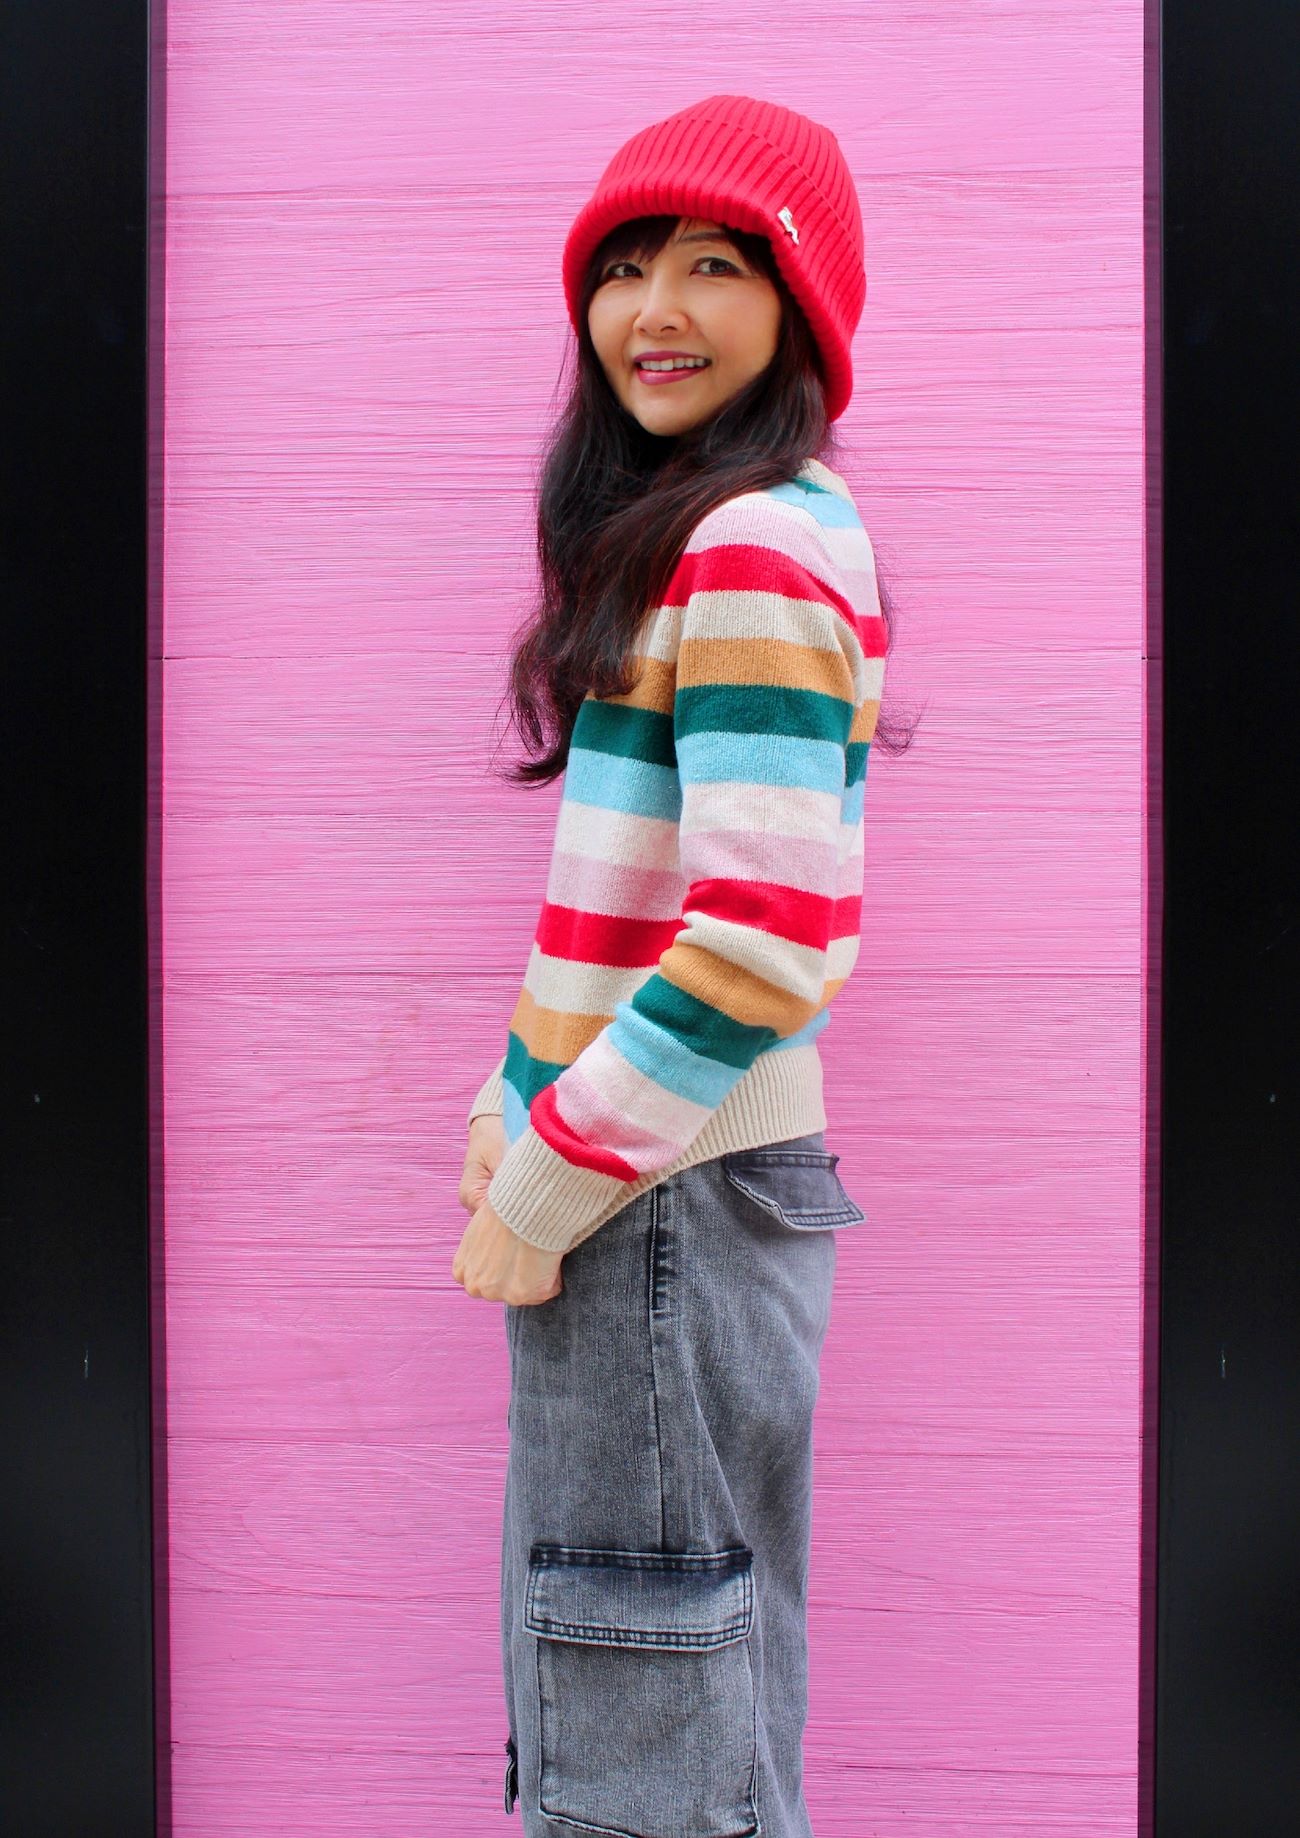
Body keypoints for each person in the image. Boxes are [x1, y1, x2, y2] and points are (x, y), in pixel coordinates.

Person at [452, 93, 907, 1838]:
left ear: (802, 308)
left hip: (662, 1202)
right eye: (624, 264)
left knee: (645, 1742)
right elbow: (628, 901)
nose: (654, 308)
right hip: (669, 1186)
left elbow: (766, 939)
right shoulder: (716, 530)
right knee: (684, 1704)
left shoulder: (750, 542)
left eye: (717, 266)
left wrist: (554, 1171)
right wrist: (510, 1099)